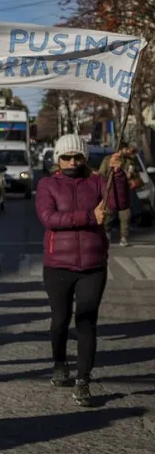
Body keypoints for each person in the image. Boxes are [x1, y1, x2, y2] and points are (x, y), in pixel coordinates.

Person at [36, 133, 128, 407]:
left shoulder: (97, 181)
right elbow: (49, 218)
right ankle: (60, 363)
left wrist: (118, 174)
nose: (72, 162)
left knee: (87, 322)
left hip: (92, 264)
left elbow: (118, 204)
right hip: (58, 265)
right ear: (58, 159)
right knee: (60, 319)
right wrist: (89, 216)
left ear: (85, 157)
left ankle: (83, 380)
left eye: (77, 156)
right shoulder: (47, 184)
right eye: (66, 157)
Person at [99, 144, 141, 247]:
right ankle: (107, 234)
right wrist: (111, 168)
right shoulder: (108, 159)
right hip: (111, 190)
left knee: (125, 215)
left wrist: (135, 182)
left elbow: (138, 178)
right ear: (120, 149)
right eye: (126, 149)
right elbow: (101, 174)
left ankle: (123, 237)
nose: (127, 151)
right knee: (108, 214)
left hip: (125, 192)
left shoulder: (130, 162)